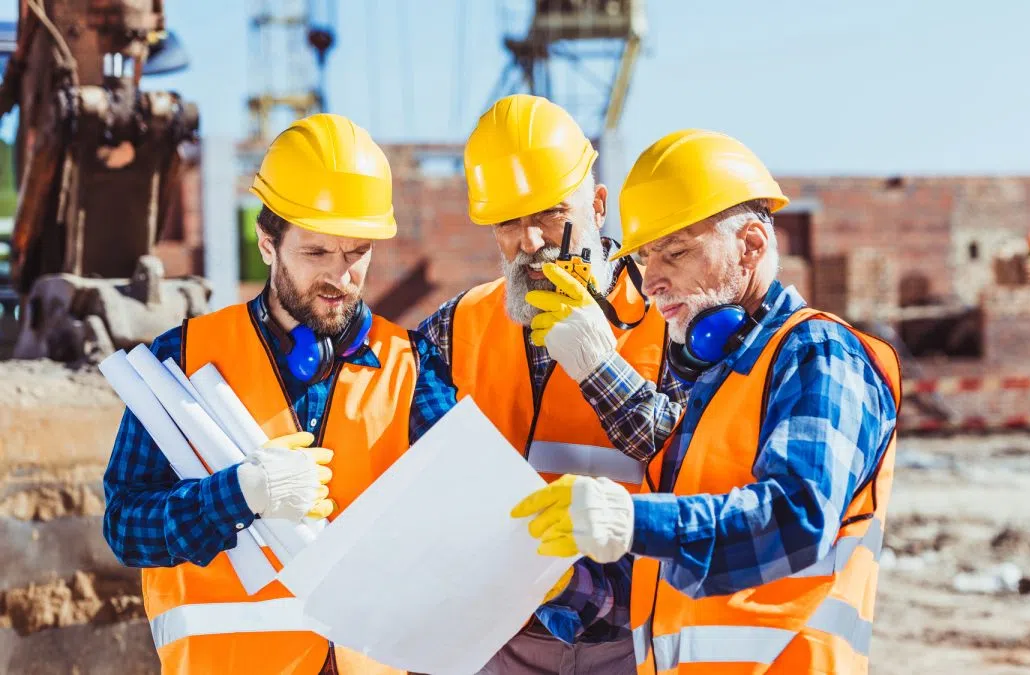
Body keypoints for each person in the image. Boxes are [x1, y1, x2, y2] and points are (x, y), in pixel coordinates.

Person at [510, 129, 903, 674]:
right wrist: (564, 580)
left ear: (751, 246)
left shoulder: (820, 354)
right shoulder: (723, 376)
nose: (652, 282)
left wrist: (629, 518)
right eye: (646, 257)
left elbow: (797, 517)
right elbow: (680, 556)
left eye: (676, 252)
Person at [102, 113, 458, 674]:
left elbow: (460, 508)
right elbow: (126, 526)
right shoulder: (185, 359)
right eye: (316, 254)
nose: (339, 278)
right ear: (267, 244)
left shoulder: (413, 367)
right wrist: (238, 494)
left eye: (355, 253)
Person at [415, 94, 689, 673]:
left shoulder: (672, 316)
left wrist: (600, 366)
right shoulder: (457, 325)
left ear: (597, 205)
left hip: (632, 633)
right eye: (509, 223)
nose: (530, 242)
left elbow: (699, 462)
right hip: (500, 633)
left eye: (549, 214)